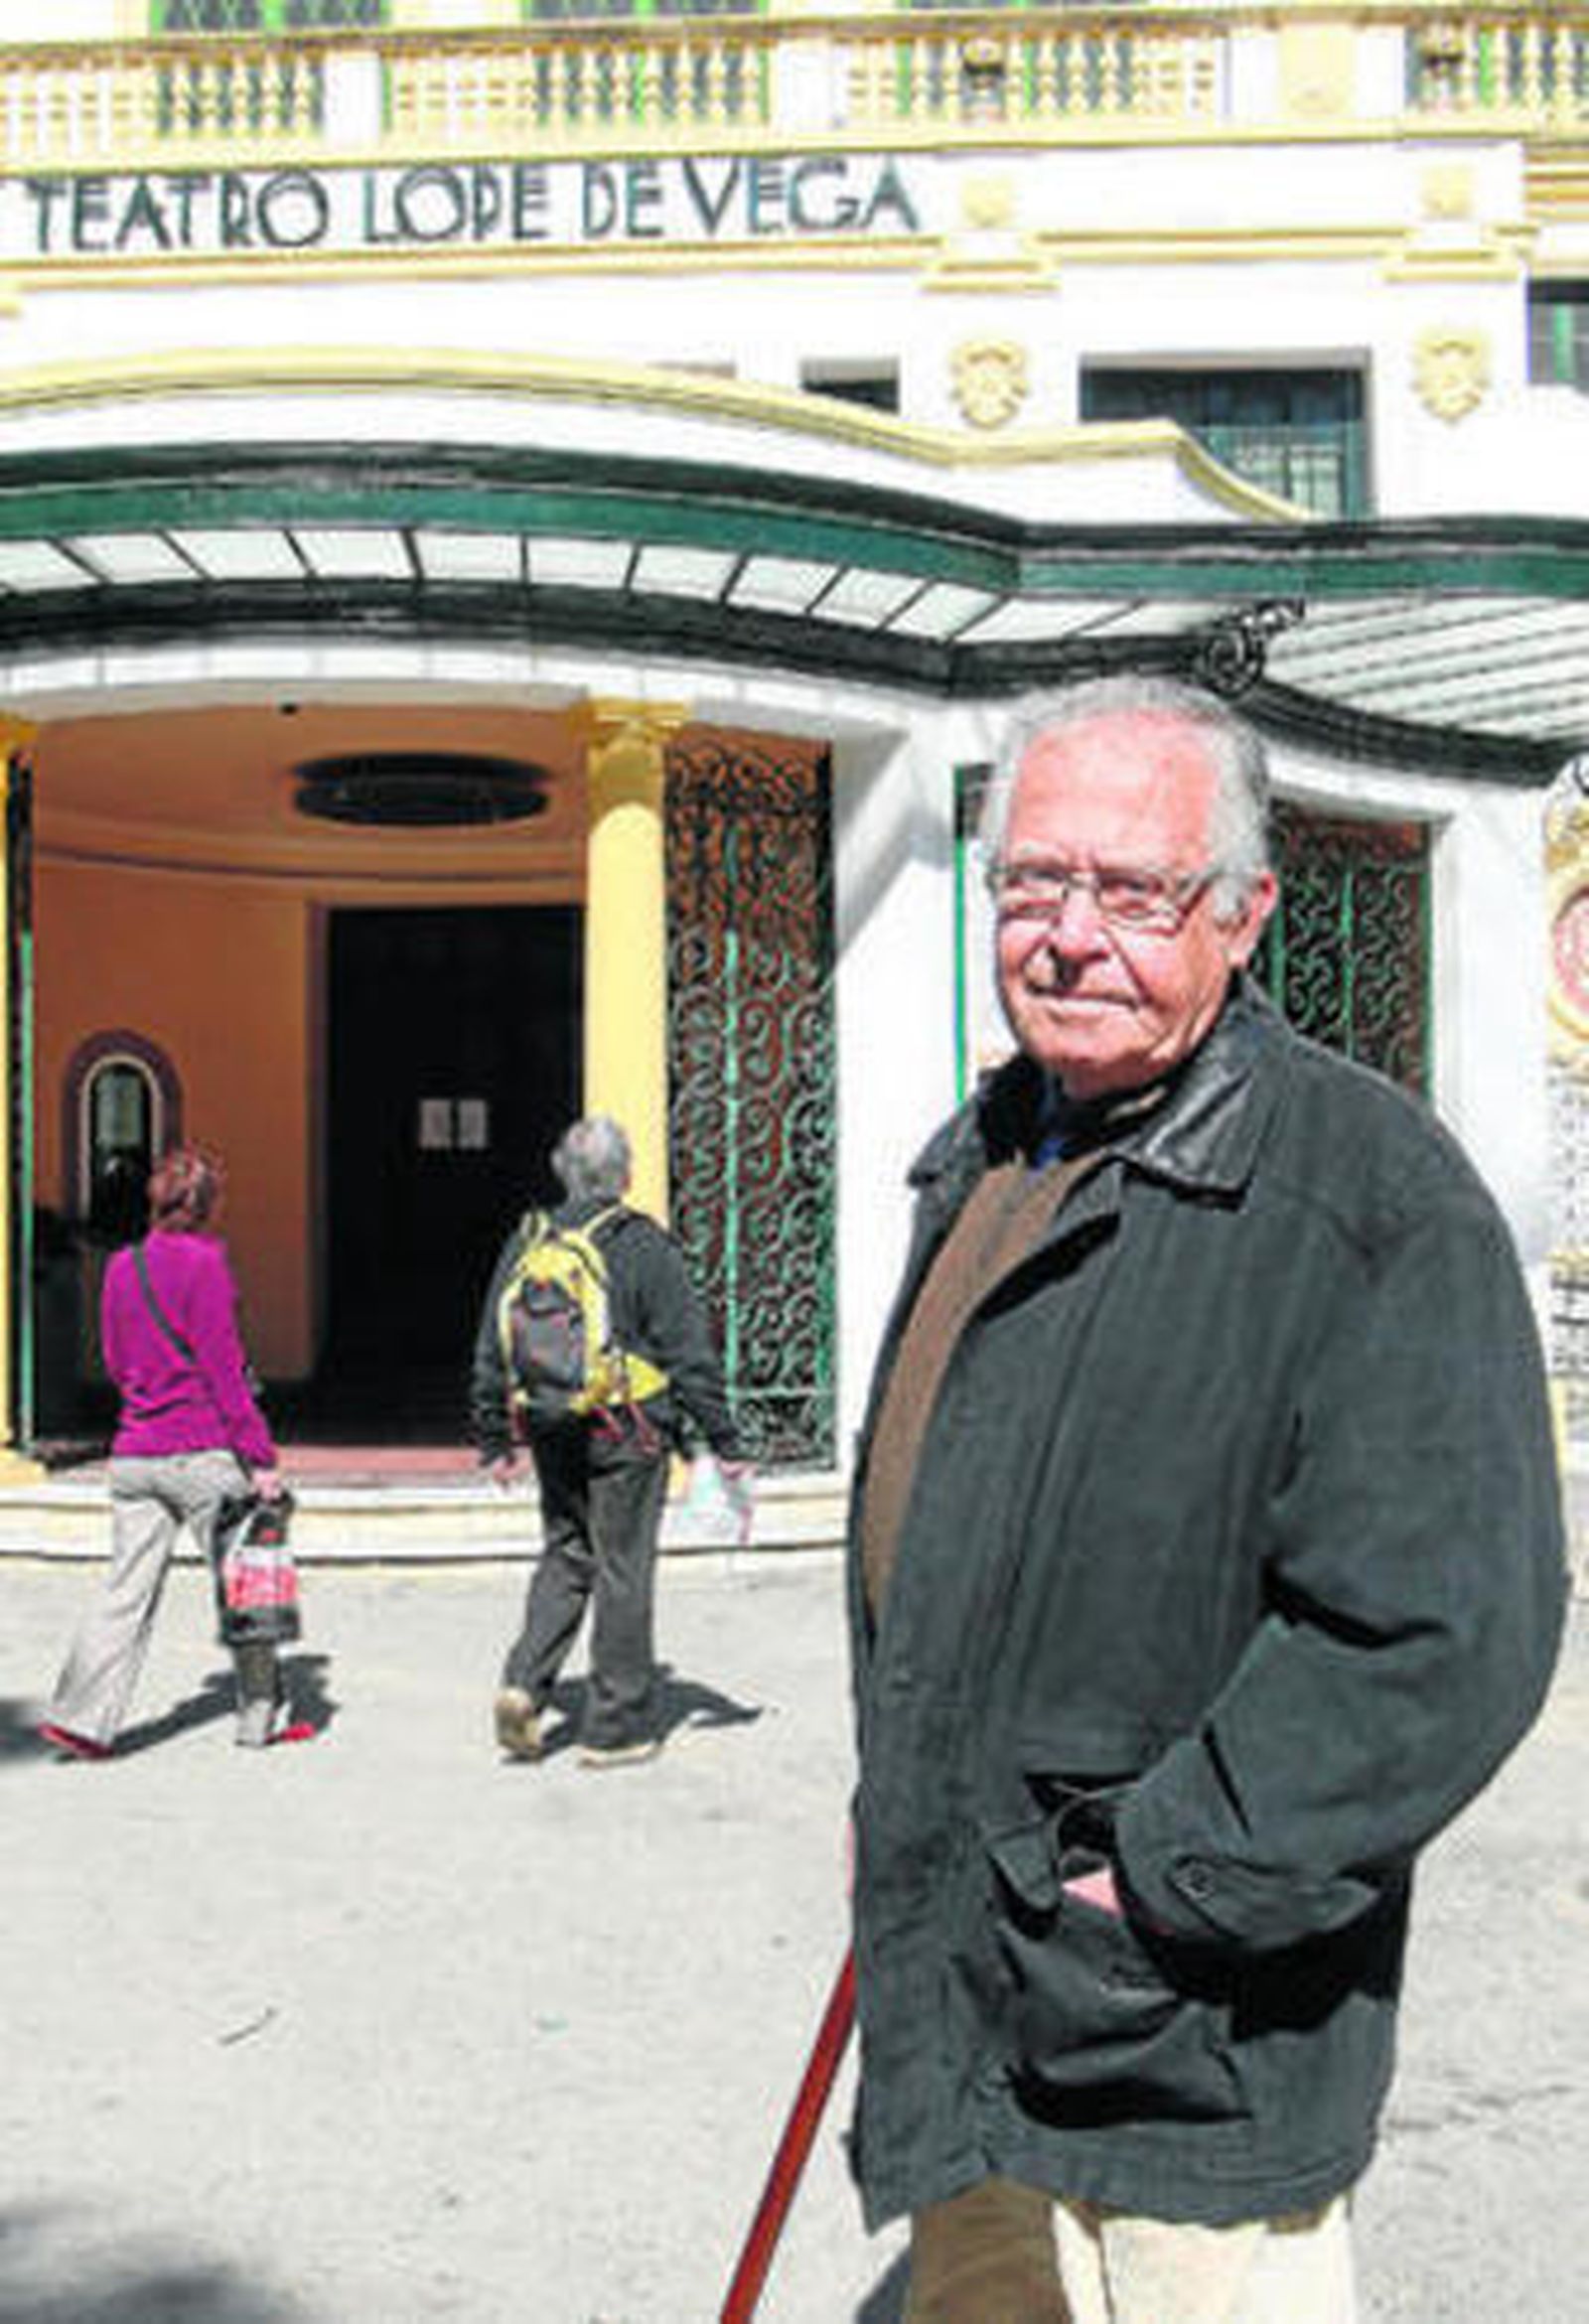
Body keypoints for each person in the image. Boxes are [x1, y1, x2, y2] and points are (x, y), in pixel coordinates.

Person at [846, 675, 1568, 2322]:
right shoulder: (988, 1162)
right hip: (963, 1986)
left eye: (1134, 890)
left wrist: (1157, 1880)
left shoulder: (1370, 1199)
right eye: (1034, 880)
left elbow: (1441, 1639)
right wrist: (904, 1818)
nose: (1069, 933)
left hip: (1185, 2037)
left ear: (1240, 916)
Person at [471, 1113, 749, 1769]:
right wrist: (723, 1441)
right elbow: (690, 1354)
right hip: (629, 1430)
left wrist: (493, 1436)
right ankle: (616, 1727)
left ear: (562, 1172)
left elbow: (492, 1341)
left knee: (566, 1551)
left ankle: (523, 1685)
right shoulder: (643, 1245)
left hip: (548, 1421)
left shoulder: (529, 1239)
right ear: (624, 1175)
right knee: (623, 1567)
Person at [40, 1144, 302, 1758]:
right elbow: (223, 1369)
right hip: (202, 1451)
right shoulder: (206, 1265)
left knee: (122, 1591)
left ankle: (80, 1718)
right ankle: (259, 1717)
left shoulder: (123, 1266)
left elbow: (113, 1358)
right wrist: (259, 1456)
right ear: (207, 1206)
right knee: (247, 1582)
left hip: (134, 1452)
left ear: (154, 1200)